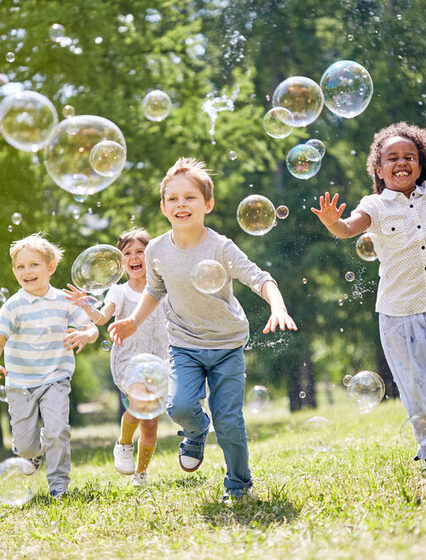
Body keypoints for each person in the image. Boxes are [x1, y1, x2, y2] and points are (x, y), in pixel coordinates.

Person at [108, 157, 298, 500]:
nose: (182, 204)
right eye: (173, 198)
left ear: (207, 203)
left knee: (229, 422)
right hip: (184, 345)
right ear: (164, 207)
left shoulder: (220, 246)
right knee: (178, 406)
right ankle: (196, 431)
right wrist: (133, 321)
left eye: (190, 197)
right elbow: (154, 290)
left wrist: (278, 305)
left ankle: (239, 485)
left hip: (226, 344)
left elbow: (259, 278)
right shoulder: (156, 250)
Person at [311, 121, 426, 461]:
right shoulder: (374, 205)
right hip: (398, 313)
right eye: (392, 157)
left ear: (420, 164)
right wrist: (333, 222)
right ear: (379, 168)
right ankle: (425, 445)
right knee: (415, 388)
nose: (401, 162)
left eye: (410, 156)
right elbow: (348, 228)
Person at [64, 228, 168, 486]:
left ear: (151, 255)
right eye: (127, 253)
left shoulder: (165, 287)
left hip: (161, 360)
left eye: (140, 252)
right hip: (129, 359)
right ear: (121, 262)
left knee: (151, 424)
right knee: (139, 404)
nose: (134, 258)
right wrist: (86, 305)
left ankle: (141, 473)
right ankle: (123, 443)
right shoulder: (118, 292)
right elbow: (101, 318)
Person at [0, 233, 99, 499]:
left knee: (58, 430)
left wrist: (86, 335)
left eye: (34, 265)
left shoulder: (64, 301)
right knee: (25, 446)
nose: (27, 271)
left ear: (50, 267)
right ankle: (34, 453)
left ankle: (58, 485)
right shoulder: (13, 307)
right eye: (20, 266)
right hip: (20, 383)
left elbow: (91, 328)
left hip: (55, 377)